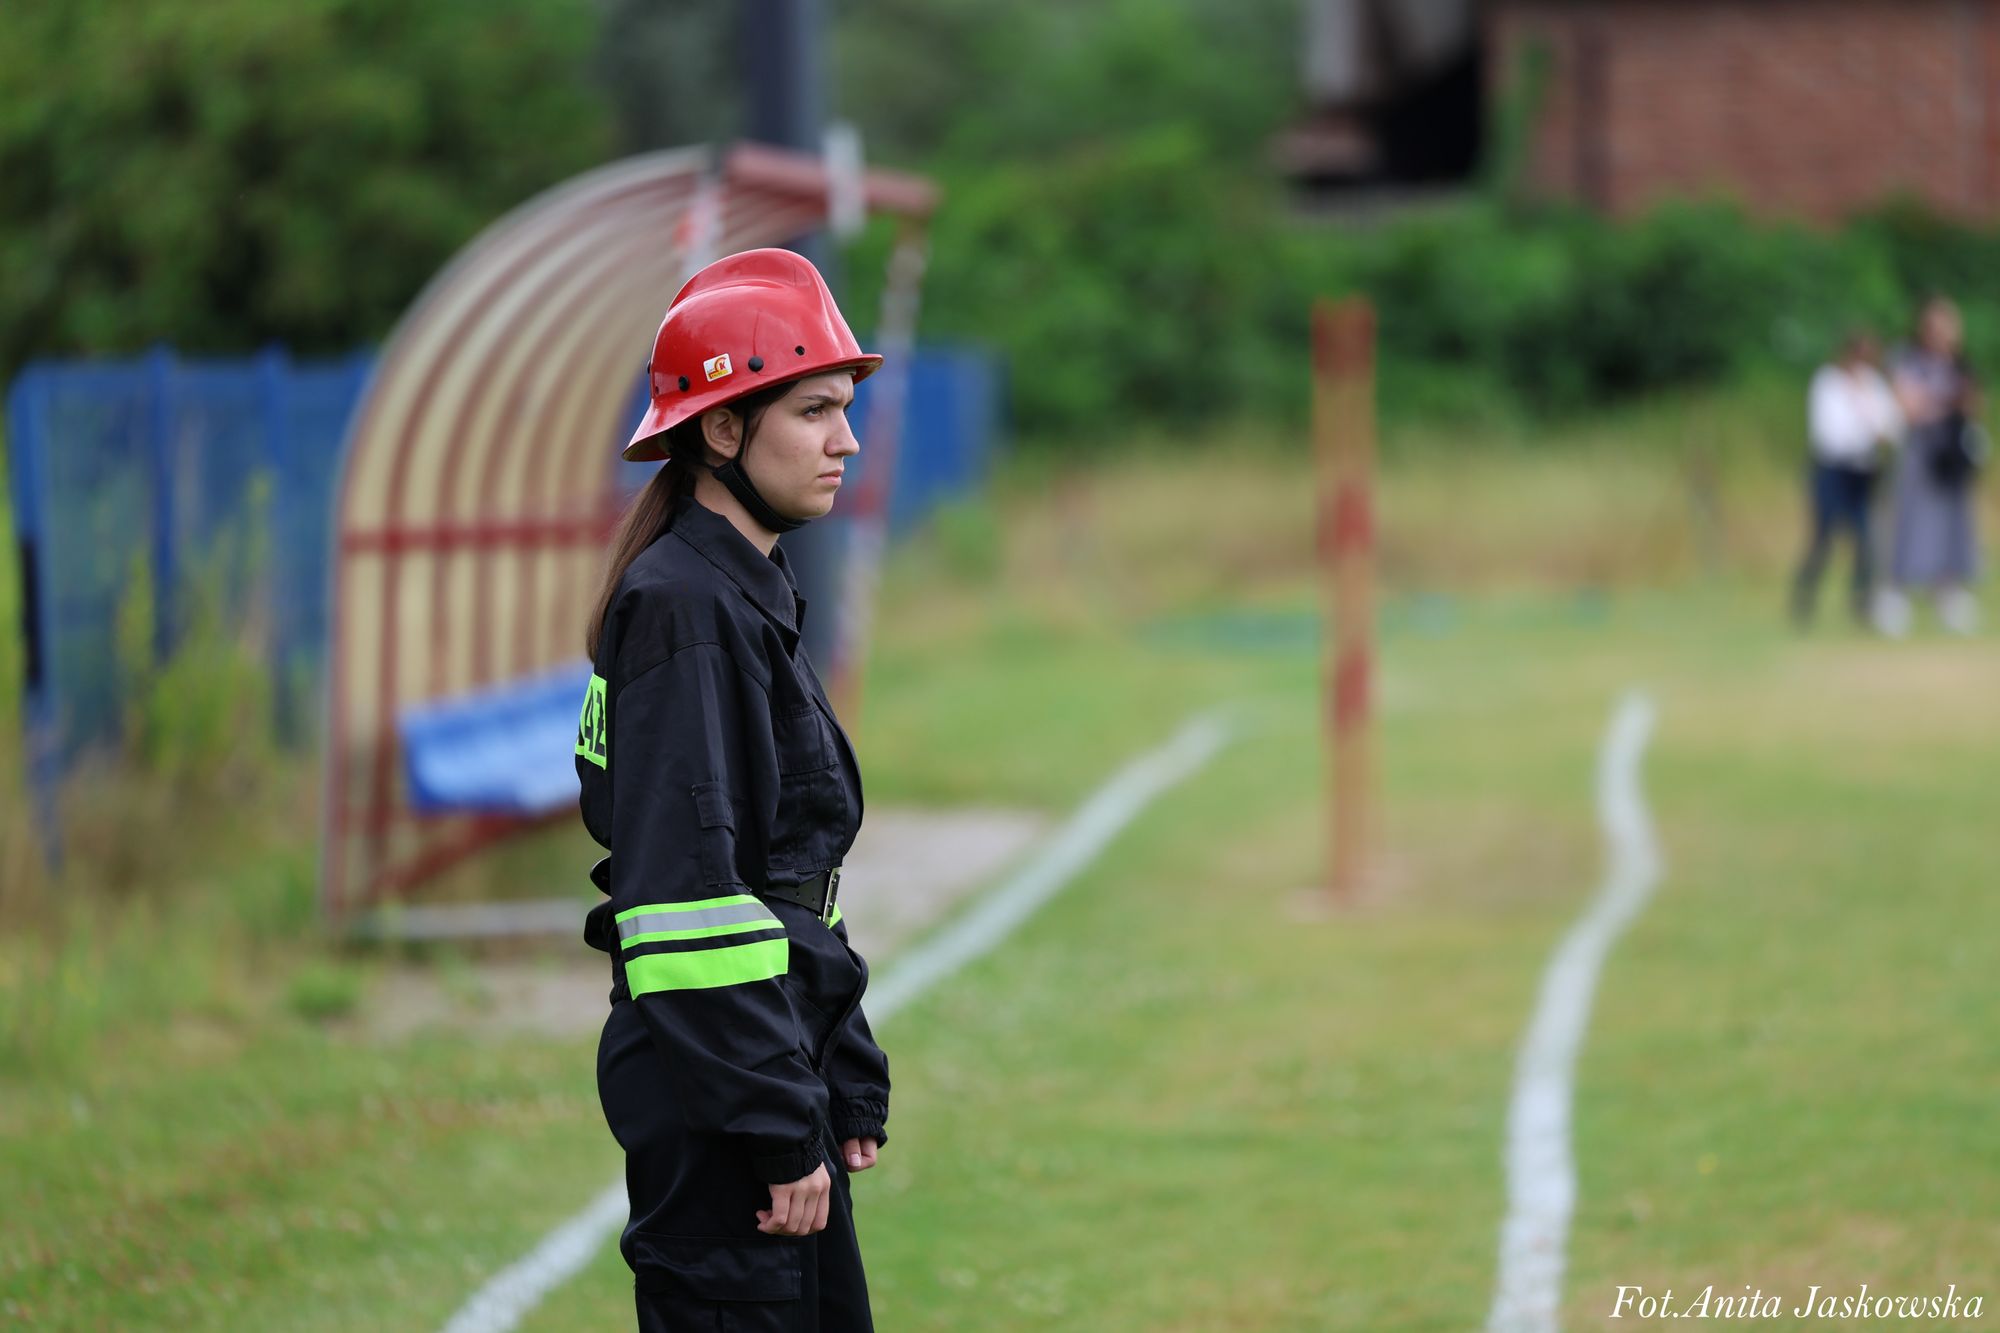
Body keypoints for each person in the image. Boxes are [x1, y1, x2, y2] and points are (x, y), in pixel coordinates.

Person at [577, 248, 891, 1331]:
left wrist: (839, 1062)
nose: (843, 440)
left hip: (763, 1068)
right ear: (721, 429)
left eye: (843, 409)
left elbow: (788, 872)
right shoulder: (682, 609)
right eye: (812, 410)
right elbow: (682, 904)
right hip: (719, 1095)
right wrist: (770, 1123)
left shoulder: (740, 589)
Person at [1880, 295, 1985, 637]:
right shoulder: (1908, 359)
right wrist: (1945, 402)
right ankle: (1895, 595)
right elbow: (1909, 406)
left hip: (1951, 457)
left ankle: (1948, 593)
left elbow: (1971, 405)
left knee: (1952, 523)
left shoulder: (1958, 365)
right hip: (1920, 456)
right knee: (1910, 522)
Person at [1790, 329, 1902, 628]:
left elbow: (1892, 425)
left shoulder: (1873, 385)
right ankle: (1804, 602)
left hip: (1863, 474)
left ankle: (1862, 605)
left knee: (1866, 542)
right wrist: (1867, 428)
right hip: (1833, 471)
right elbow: (1830, 434)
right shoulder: (1828, 383)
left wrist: (1875, 426)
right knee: (1823, 539)